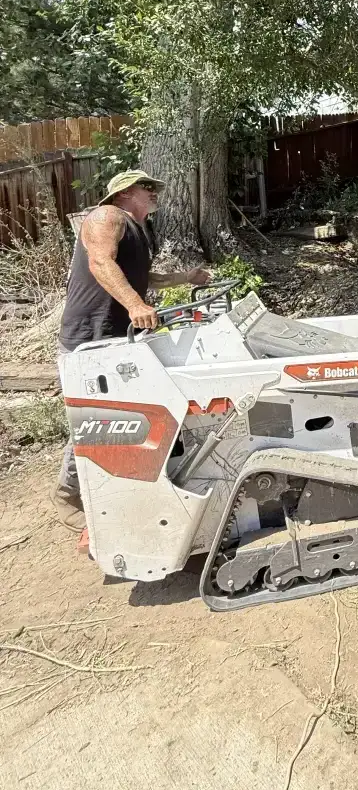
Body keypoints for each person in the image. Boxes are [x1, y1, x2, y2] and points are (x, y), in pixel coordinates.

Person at [53, 170, 210, 525]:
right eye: (147, 187)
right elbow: (101, 263)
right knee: (96, 419)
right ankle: (69, 494)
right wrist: (135, 305)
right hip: (89, 336)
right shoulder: (106, 216)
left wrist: (185, 278)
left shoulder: (138, 229)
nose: (154, 192)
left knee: (126, 414)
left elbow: (142, 278)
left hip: (117, 335)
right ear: (124, 193)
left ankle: (121, 485)